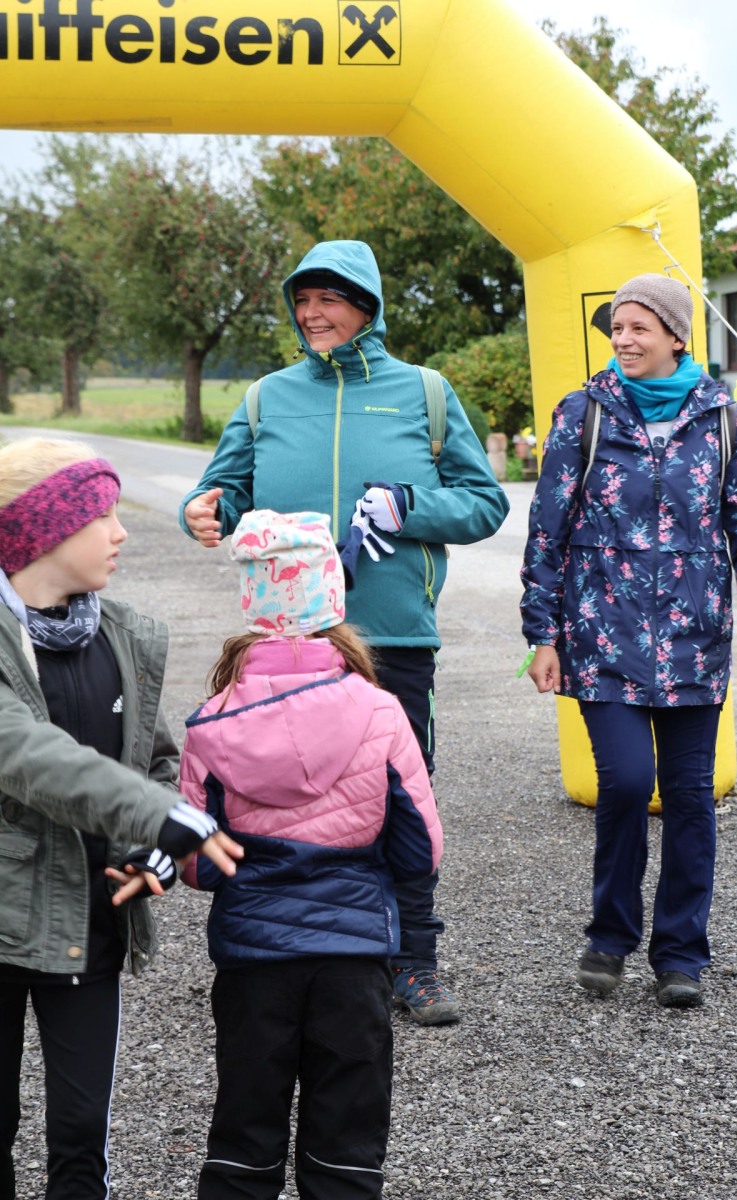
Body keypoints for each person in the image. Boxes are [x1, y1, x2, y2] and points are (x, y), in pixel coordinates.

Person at [179, 238, 509, 1024]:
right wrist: (203, 509)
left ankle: (414, 960)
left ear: (366, 306)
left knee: (400, 797)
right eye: (302, 299)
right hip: (284, 641)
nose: (312, 313)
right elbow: (221, 489)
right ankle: (290, 950)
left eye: (328, 298)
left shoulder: (424, 393)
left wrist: (411, 507)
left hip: (393, 636)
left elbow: (485, 503)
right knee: (280, 797)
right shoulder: (266, 398)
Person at [519, 273, 737, 1009]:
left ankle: (681, 955)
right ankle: (609, 937)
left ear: (676, 335)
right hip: (602, 636)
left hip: (695, 641)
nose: (624, 340)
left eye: (639, 327)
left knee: (691, 797)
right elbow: (547, 530)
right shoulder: (583, 413)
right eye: (617, 329)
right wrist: (542, 634)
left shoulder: (724, 418)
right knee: (630, 782)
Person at [0, 437, 242, 1200]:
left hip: (91, 924)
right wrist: (165, 815)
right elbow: (29, 755)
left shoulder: (126, 635)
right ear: (44, 529)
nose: (121, 531)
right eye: (101, 515)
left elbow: (153, 764)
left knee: (80, 1139)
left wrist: (153, 849)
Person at [179, 508, 443, 1200]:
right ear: (333, 598)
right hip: (353, 956)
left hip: (253, 956)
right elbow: (420, 850)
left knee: (244, 1137)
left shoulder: (211, 722)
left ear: (251, 603)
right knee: (346, 1146)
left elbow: (197, 865)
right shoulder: (379, 709)